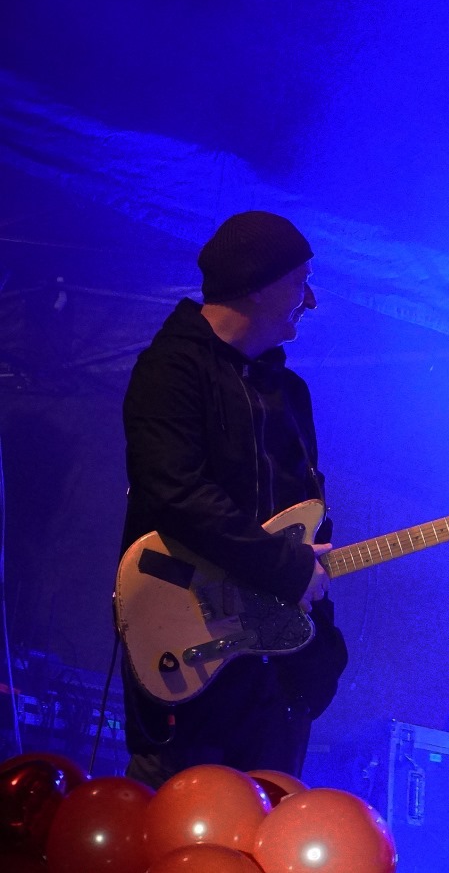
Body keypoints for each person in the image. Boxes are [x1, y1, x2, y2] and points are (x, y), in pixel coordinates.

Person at [119, 210, 346, 787]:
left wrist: (318, 628)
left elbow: (308, 522)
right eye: (300, 281)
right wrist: (284, 566)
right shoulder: (171, 370)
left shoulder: (290, 393)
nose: (311, 299)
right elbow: (176, 493)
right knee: (180, 815)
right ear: (258, 284)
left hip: (276, 672)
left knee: (270, 817)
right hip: (191, 657)